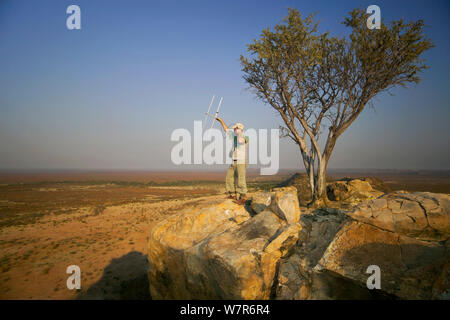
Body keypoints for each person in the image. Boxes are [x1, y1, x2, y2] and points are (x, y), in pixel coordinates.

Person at [215, 117, 249, 205]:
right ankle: (232, 193)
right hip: (234, 160)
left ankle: (243, 197)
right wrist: (221, 120)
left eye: (235, 128)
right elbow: (226, 129)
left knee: (241, 178)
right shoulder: (234, 136)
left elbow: (241, 141)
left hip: (241, 160)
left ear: (239, 129)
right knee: (229, 176)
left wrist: (238, 134)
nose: (233, 129)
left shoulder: (245, 137)